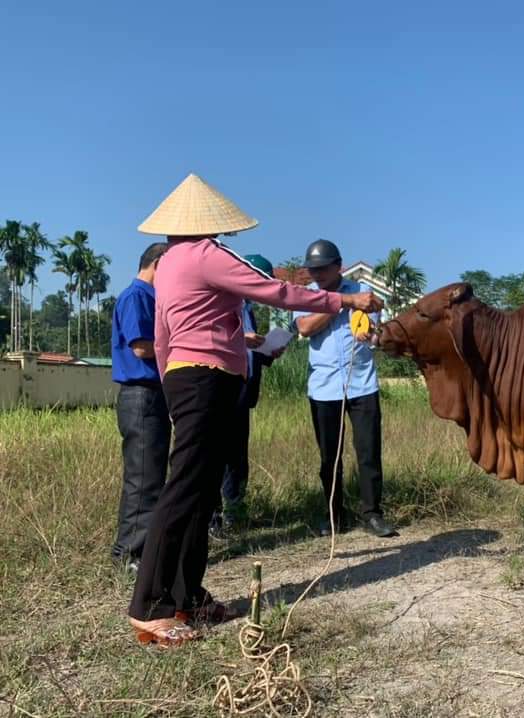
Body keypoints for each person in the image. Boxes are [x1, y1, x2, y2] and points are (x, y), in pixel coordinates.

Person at [127, 174, 382, 647]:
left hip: (188, 375)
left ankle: (187, 596)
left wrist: (172, 377)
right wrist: (345, 298)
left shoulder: (169, 264)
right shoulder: (207, 255)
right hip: (205, 378)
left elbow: (163, 336)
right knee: (186, 489)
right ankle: (150, 606)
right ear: (210, 225)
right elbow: (278, 293)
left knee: (201, 492)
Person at [294, 239, 397, 539]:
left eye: (323, 268)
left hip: (361, 383)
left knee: (368, 452)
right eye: (313, 269)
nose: (317, 274)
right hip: (324, 387)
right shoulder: (304, 295)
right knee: (330, 457)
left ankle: (372, 514)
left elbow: (376, 332)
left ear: (338, 265)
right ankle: (333, 515)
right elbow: (304, 328)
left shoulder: (364, 294)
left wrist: (373, 336)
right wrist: (340, 302)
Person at [209, 253, 282, 538]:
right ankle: (213, 518)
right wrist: (244, 340)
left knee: (237, 457)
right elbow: (213, 340)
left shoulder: (247, 307)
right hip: (223, 390)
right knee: (217, 456)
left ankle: (235, 513)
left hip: (243, 392)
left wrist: (267, 353)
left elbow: (248, 354)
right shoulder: (224, 303)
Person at [110, 242, 170, 574]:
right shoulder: (136, 297)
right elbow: (141, 348)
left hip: (154, 394)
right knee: (143, 476)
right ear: (158, 264)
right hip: (140, 394)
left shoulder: (152, 297)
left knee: (152, 473)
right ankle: (128, 553)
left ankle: (143, 548)